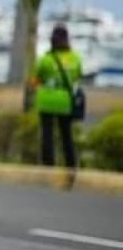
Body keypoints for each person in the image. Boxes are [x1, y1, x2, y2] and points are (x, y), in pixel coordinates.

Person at [29, 24, 82, 172]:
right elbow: (78, 77)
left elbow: (35, 81)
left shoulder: (46, 59)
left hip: (47, 101)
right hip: (65, 102)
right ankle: (71, 166)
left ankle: (48, 166)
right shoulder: (75, 58)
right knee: (66, 135)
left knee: (47, 135)